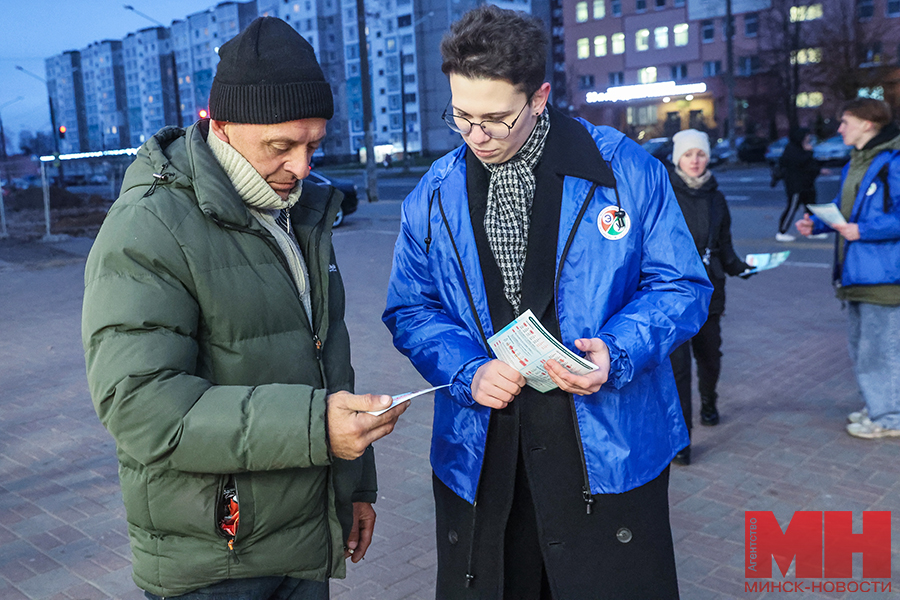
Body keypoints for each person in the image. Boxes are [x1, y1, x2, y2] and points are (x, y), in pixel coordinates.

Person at [382, 6, 712, 598]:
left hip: (606, 442)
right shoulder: (432, 193)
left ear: (539, 98)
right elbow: (411, 308)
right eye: (460, 115)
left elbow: (681, 286)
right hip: (482, 450)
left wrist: (619, 350)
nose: (475, 136)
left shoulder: (625, 170)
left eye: (494, 119)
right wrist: (465, 369)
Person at [82, 17, 406, 599]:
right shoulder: (149, 225)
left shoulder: (302, 213)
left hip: (304, 535)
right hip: (213, 554)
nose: (303, 166)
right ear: (222, 127)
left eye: (315, 144)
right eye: (282, 146)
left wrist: (355, 488)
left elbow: (325, 361)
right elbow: (139, 405)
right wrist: (315, 428)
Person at [796, 97, 900, 439]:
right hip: (856, 270)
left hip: (883, 273)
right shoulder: (857, 161)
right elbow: (848, 215)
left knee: (880, 349)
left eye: (845, 121)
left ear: (867, 124)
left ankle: (889, 417)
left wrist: (865, 231)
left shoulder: (893, 161)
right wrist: (820, 225)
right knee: (862, 346)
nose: (840, 129)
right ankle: (878, 405)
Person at [665, 129, 752, 465]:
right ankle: (681, 441)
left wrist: (739, 267)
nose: (696, 160)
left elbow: (724, 244)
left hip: (710, 292)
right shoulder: (666, 194)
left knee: (710, 356)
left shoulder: (717, 197)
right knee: (678, 369)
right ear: (678, 159)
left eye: (700, 154)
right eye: (689, 154)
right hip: (674, 293)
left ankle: (710, 400)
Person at [775, 127, 823, 242]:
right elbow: (798, 163)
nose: (808, 138)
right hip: (796, 185)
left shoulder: (803, 148)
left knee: (811, 208)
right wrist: (809, 152)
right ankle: (782, 231)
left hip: (808, 184)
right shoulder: (792, 149)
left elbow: (810, 165)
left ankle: (812, 230)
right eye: (806, 136)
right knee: (792, 208)